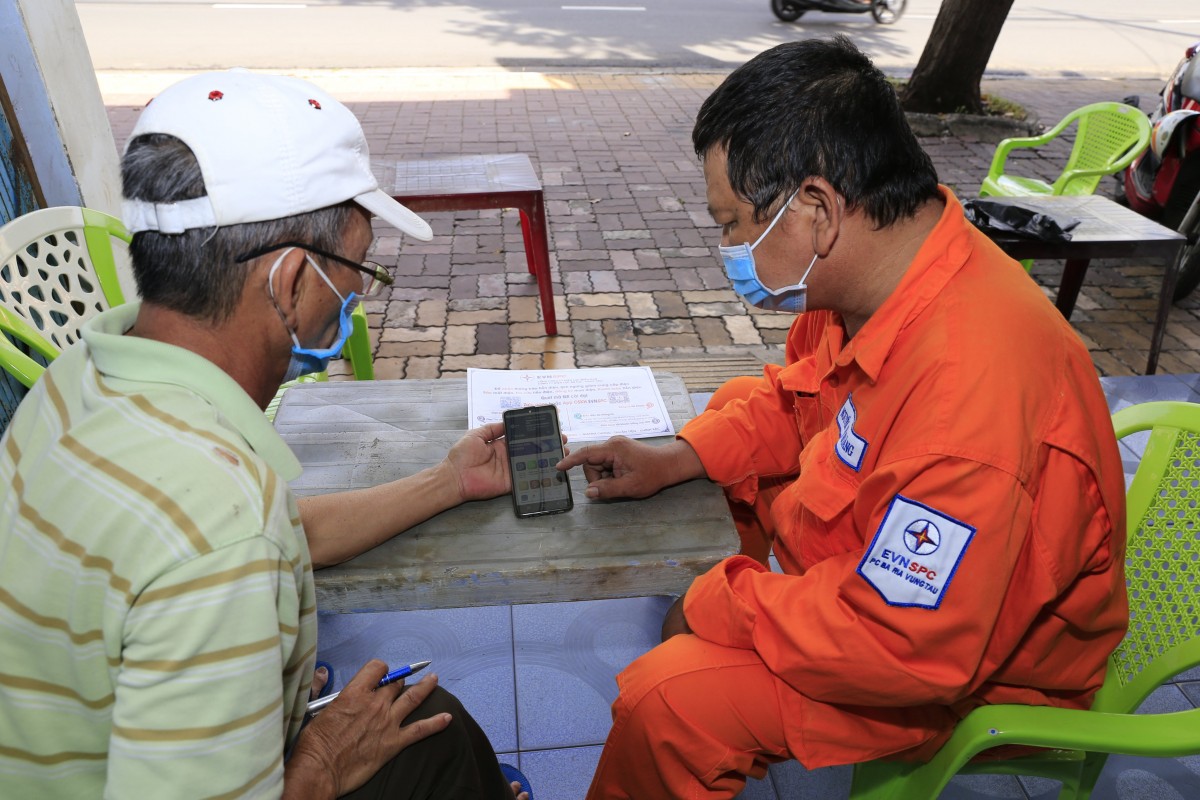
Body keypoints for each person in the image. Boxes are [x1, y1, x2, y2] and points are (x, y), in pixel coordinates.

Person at [557, 37, 1128, 798]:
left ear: (818, 210)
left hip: (969, 667)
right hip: (898, 584)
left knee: (670, 700)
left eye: (732, 225)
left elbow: (903, 642)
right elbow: (801, 401)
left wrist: (722, 602)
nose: (727, 249)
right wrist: (679, 457)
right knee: (730, 414)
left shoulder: (969, 403)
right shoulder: (885, 282)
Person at [0, 70, 530, 800]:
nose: (355, 297)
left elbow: (276, 533)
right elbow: (232, 544)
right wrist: (317, 763)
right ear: (288, 283)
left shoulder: (78, 380)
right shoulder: (223, 536)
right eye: (356, 272)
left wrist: (448, 482)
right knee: (437, 735)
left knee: (436, 727)